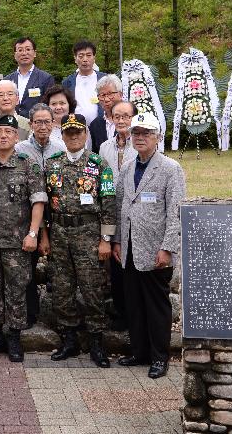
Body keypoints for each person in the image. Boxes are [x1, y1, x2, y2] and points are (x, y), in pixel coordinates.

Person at [113, 113, 184, 379]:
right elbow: (120, 206)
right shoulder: (129, 167)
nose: (140, 138)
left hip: (156, 250)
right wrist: (118, 240)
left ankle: (159, 357)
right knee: (134, 303)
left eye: (146, 133)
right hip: (130, 248)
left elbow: (175, 211)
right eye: (136, 133)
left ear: (157, 137)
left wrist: (167, 247)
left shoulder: (170, 168)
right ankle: (139, 351)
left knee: (156, 306)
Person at [44, 113, 117, 368]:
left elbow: (108, 204)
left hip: (88, 234)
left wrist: (106, 239)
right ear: (62, 136)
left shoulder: (99, 164)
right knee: (62, 289)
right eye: (68, 133)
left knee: (92, 288)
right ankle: (69, 340)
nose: (73, 137)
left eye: (78, 132)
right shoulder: (52, 164)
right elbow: (45, 204)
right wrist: (45, 235)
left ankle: (97, 343)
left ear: (85, 135)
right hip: (60, 234)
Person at [0, 115, 47, 362]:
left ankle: (14, 337)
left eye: (8, 131)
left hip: (18, 242)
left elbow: (38, 201)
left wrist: (33, 233)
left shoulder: (28, 165)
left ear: (17, 137)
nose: (3, 135)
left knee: (17, 290)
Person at [15, 103, 66, 326]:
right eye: (38, 122)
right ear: (30, 124)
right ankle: (29, 313)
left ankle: (60, 317)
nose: (43, 126)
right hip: (29, 217)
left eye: (47, 121)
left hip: (58, 216)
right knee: (28, 266)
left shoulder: (61, 148)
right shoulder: (20, 150)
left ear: (54, 123)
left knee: (60, 269)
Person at [97, 100, 138, 332]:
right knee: (116, 267)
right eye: (117, 116)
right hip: (111, 210)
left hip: (134, 211)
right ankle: (121, 314)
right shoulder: (104, 147)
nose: (121, 120)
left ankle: (135, 316)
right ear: (111, 119)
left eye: (126, 116)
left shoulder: (141, 144)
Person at [5, 37, 55, 117]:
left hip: (36, 124)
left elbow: (50, 105)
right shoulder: (7, 80)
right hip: (11, 124)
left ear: (34, 53)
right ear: (15, 55)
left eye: (28, 49)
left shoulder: (46, 78)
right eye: (20, 50)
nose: (24, 53)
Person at [61, 40, 107, 125]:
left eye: (89, 55)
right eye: (81, 56)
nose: (85, 59)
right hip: (76, 129)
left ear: (94, 57)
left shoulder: (105, 79)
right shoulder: (67, 82)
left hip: (102, 127)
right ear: (75, 59)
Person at [89, 74, 124, 152]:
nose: (106, 99)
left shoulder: (132, 119)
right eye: (102, 95)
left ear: (120, 94)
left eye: (110, 94)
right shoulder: (95, 125)